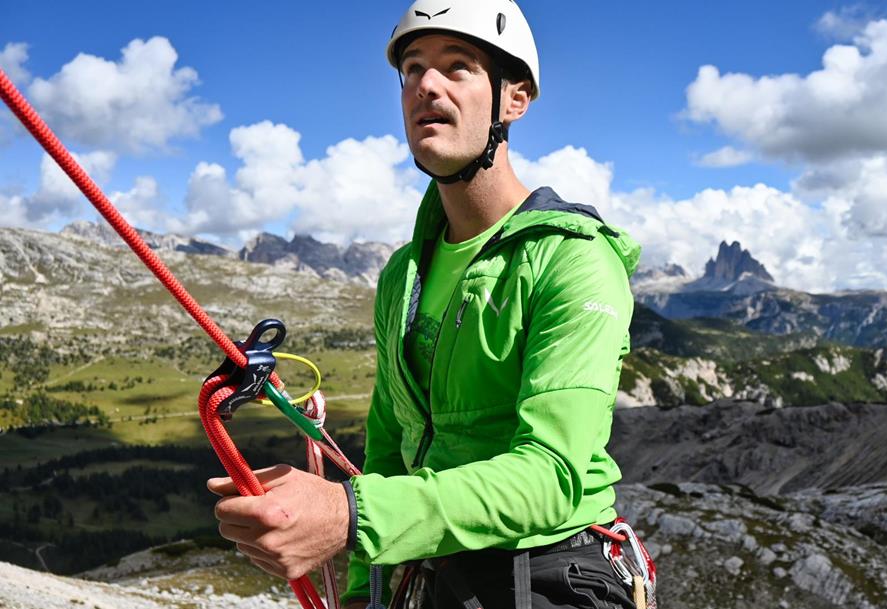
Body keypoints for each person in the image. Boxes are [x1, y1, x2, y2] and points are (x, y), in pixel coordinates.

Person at [208, 1, 643, 607]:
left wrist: (349, 514)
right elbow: (389, 447)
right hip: (435, 571)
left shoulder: (572, 258)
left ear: (514, 98)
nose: (426, 85)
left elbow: (553, 476)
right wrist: (361, 593)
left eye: (457, 66)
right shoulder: (403, 274)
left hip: (551, 573)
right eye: (412, 68)